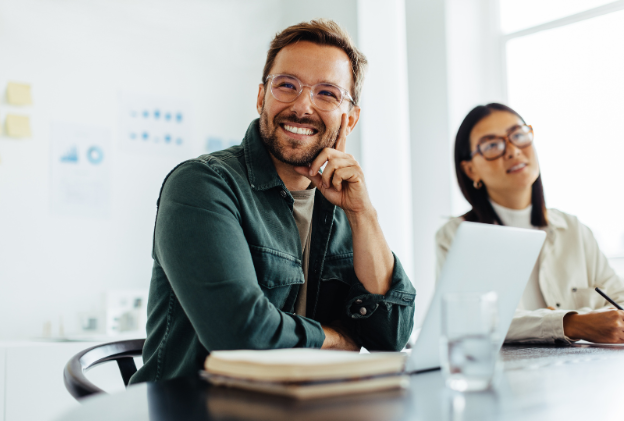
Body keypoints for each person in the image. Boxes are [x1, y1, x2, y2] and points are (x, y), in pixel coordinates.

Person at [130, 19, 416, 384]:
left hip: (304, 405)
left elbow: (391, 335)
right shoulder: (201, 185)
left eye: (326, 93)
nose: (302, 106)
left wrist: (363, 214)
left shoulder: (343, 204)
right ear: (262, 96)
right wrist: (339, 339)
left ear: (351, 118)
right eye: (287, 86)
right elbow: (240, 334)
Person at [436, 103, 624, 344]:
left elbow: (618, 300)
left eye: (518, 135)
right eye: (492, 145)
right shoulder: (454, 236)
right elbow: (470, 321)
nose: (513, 150)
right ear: (470, 170)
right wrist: (570, 324)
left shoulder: (573, 229)